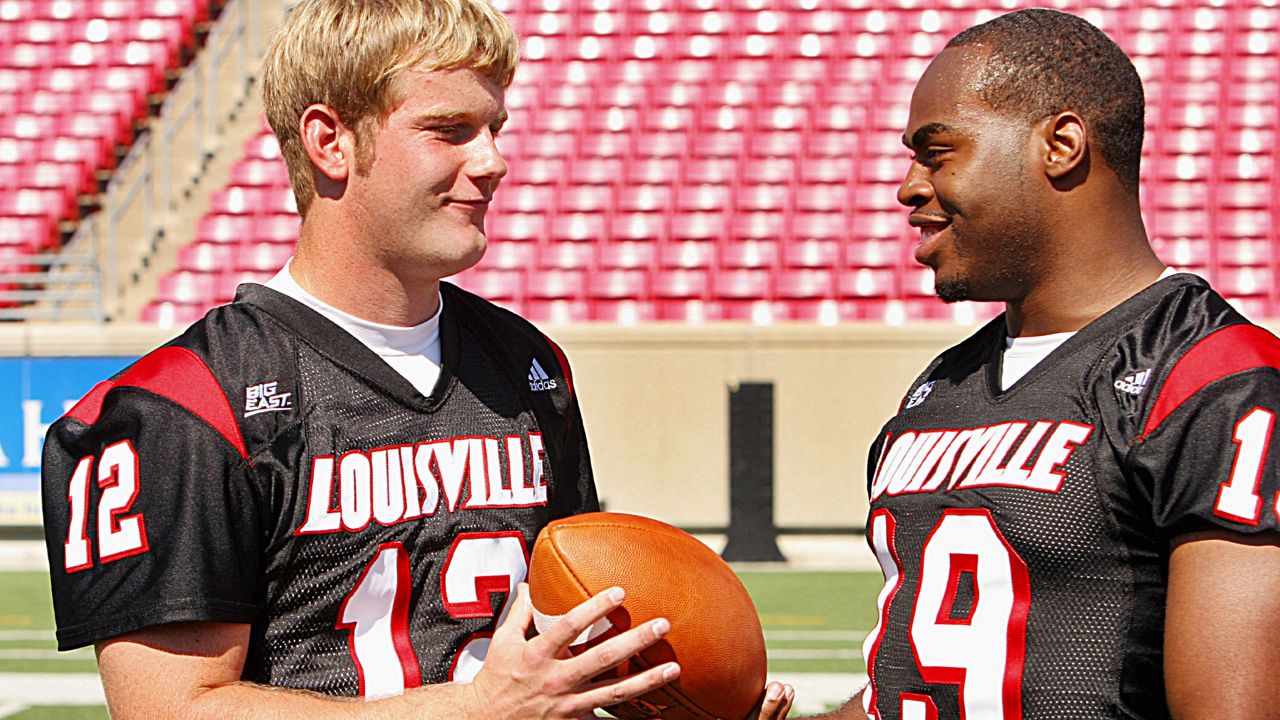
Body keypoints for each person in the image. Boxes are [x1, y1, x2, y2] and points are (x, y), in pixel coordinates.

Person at [38, 1, 796, 717]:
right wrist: (472, 709)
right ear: (330, 141)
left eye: (495, 127)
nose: (493, 160)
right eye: (451, 129)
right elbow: (168, 706)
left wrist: (676, 689)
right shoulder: (187, 403)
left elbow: (562, 641)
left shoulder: (527, 365)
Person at [815, 8, 1280, 720]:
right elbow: (927, 683)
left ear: (1061, 145)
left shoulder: (1215, 379)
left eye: (937, 153)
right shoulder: (941, 389)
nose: (909, 188)